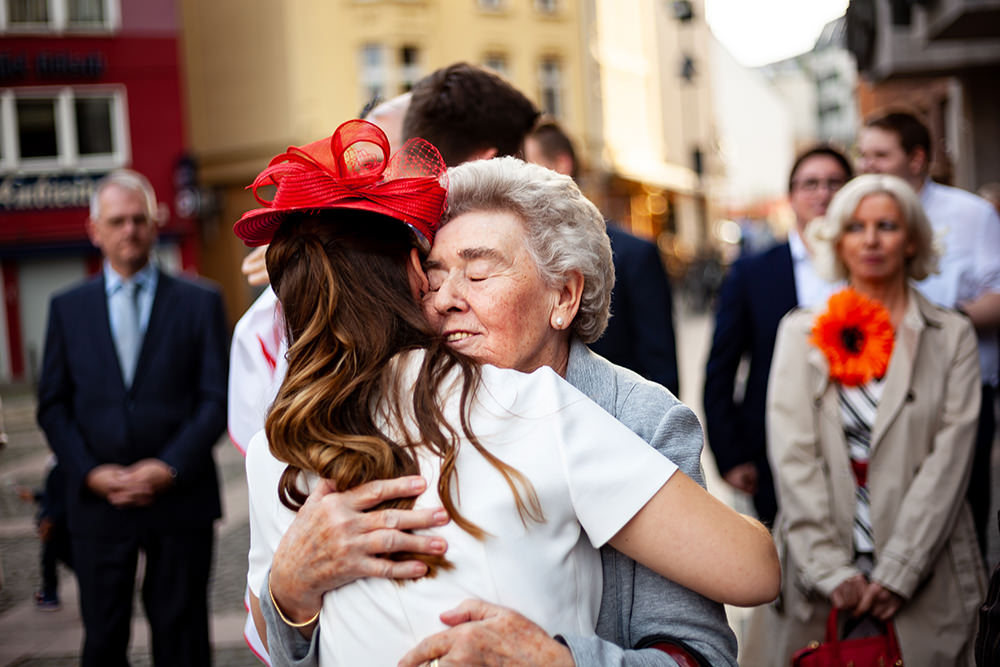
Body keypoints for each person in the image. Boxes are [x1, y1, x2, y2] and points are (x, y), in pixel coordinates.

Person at [250, 122, 774, 666]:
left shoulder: (634, 418)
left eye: (478, 274)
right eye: (431, 277)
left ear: (564, 296)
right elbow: (302, 641)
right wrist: (289, 592)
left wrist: (560, 662)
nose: (445, 299)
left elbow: (702, 650)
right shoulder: (335, 425)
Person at [741, 174, 986, 665]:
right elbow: (792, 455)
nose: (871, 239)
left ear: (912, 238)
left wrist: (900, 570)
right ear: (836, 240)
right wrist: (831, 570)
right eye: (856, 227)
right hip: (820, 577)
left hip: (928, 569)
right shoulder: (800, 331)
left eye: (887, 225)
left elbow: (951, 461)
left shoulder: (952, 335)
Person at [36, 169, 229, 666]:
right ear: (94, 229)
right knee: (102, 638)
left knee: (182, 638)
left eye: (139, 219)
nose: (130, 231)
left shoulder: (200, 301)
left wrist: (168, 468)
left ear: (156, 223)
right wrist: (91, 473)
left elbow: (216, 398)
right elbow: (53, 405)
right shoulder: (66, 309)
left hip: (180, 498)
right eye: (117, 221)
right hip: (97, 503)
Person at [858, 111, 1000, 554]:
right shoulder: (857, 214)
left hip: (962, 390)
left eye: (880, 155)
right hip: (878, 391)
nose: (867, 166)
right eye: (863, 155)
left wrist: (939, 324)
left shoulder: (970, 214)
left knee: (960, 514)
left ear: (917, 159)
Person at [704, 145, 852, 526]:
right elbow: (721, 367)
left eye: (835, 183)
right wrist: (731, 454)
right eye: (810, 184)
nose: (823, 194)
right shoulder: (753, 272)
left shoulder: (869, 266)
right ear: (792, 196)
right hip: (774, 445)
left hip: (859, 441)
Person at [525, 120, 680, 395]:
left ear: (561, 166)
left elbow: (661, 373)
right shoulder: (523, 256)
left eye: (528, 165)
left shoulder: (635, 255)